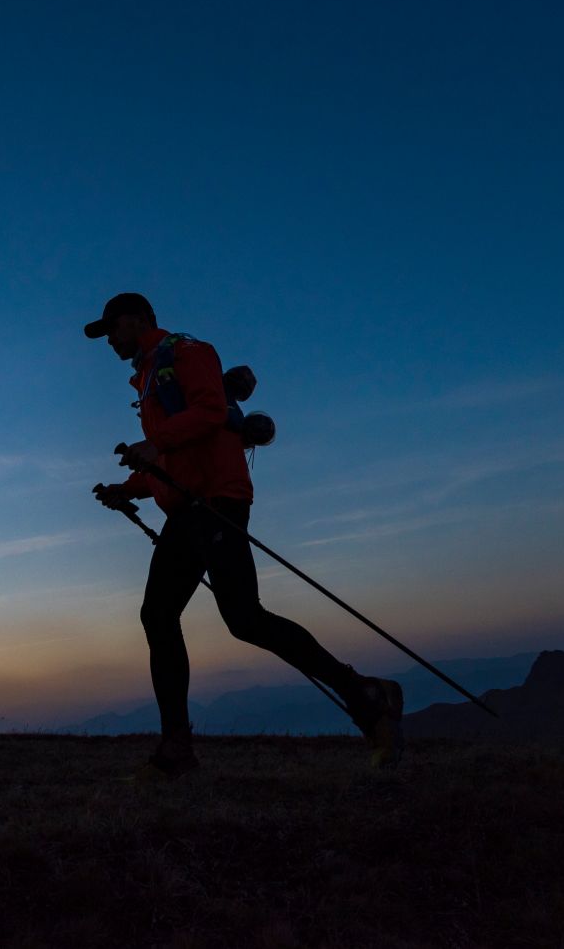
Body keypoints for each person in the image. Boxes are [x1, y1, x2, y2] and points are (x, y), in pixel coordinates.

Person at [84, 292, 405, 780]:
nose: (108, 339)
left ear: (139, 320)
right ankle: (177, 751)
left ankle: (364, 694)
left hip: (217, 502)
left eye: (112, 328)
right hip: (189, 509)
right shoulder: (150, 375)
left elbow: (211, 412)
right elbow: (171, 458)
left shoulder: (187, 353)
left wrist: (154, 445)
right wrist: (126, 489)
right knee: (162, 614)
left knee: (244, 618)